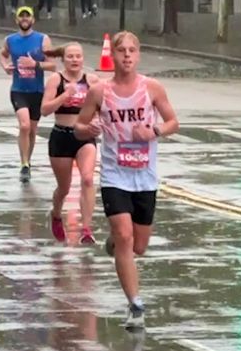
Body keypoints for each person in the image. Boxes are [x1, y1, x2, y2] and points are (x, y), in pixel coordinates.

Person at [75, 32, 179, 330]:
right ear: (114, 56)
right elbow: (80, 126)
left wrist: (155, 131)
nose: (127, 56)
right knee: (124, 236)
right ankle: (135, 305)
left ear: (139, 55)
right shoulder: (99, 92)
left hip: (144, 177)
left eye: (132, 51)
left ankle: (115, 244)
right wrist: (89, 127)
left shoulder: (152, 88)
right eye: (121, 51)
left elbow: (174, 122)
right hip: (114, 175)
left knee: (140, 245)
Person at [41, 43, 99, 246]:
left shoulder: (92, 81)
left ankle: (86, 229)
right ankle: (56, 214)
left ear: (83, 59)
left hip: (84, 137)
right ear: (63, 60)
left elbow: (102, 107)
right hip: (61, 137)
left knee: (88, 179)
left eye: (78, 56)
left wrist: (97, 120)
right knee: (64, 188)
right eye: (70, 56)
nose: (75, 60)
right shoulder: (55, 79)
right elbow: (44, 110)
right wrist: (65, 95)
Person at [0, 6, 55, 184]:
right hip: (18, 90)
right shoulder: (10, 40)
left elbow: (52, 65)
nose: (24, 19)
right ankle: (23, 164)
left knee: (31, 129)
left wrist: (35, 64)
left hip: (37, 91)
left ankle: (27, 161)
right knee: (24, 126)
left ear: (32, 20)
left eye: (27, 16)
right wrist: (5, 65)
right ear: (17, 20)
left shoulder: (42, 39)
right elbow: (3, 54)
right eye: (21, 16)